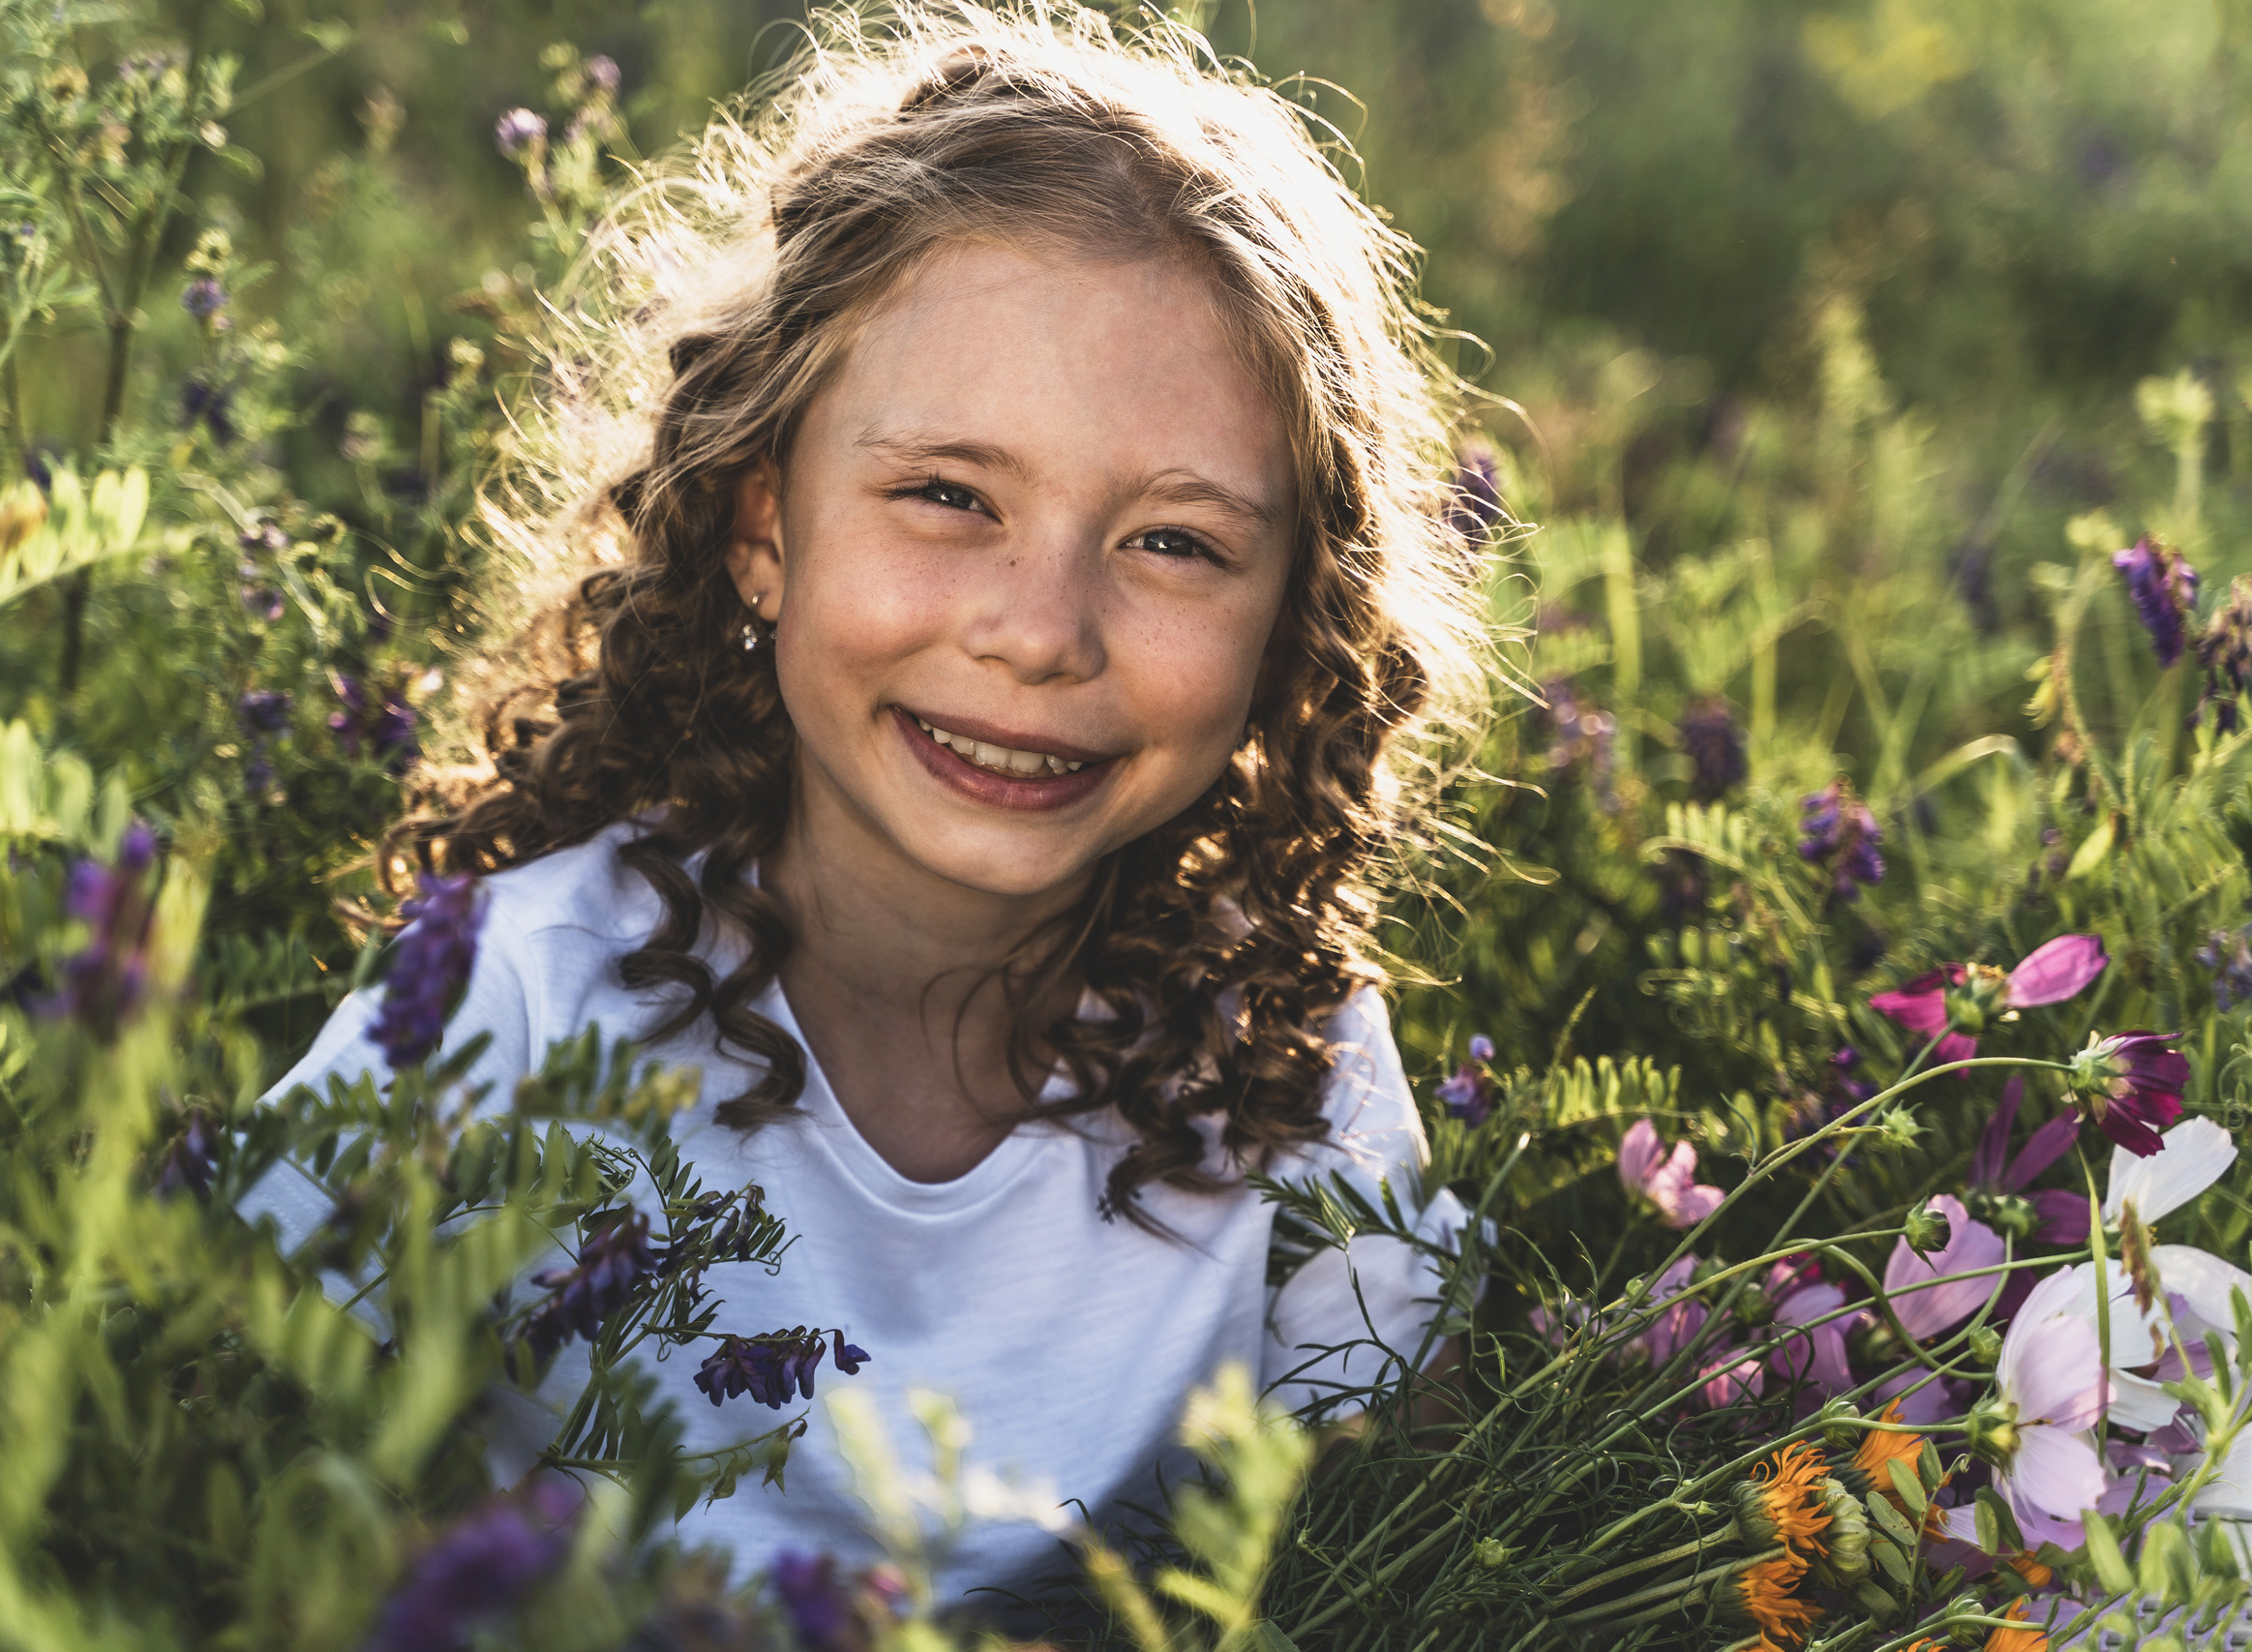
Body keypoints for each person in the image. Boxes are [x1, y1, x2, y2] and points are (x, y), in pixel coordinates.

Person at [242, 0, 1493, 1610]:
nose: (1041, 632)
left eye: (1175, 541)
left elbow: (1423, 1570)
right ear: (764, 528)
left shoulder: (1284, 1057)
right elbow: (197, 1471)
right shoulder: (519, 997)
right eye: (947, 497)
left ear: (1292, 619)